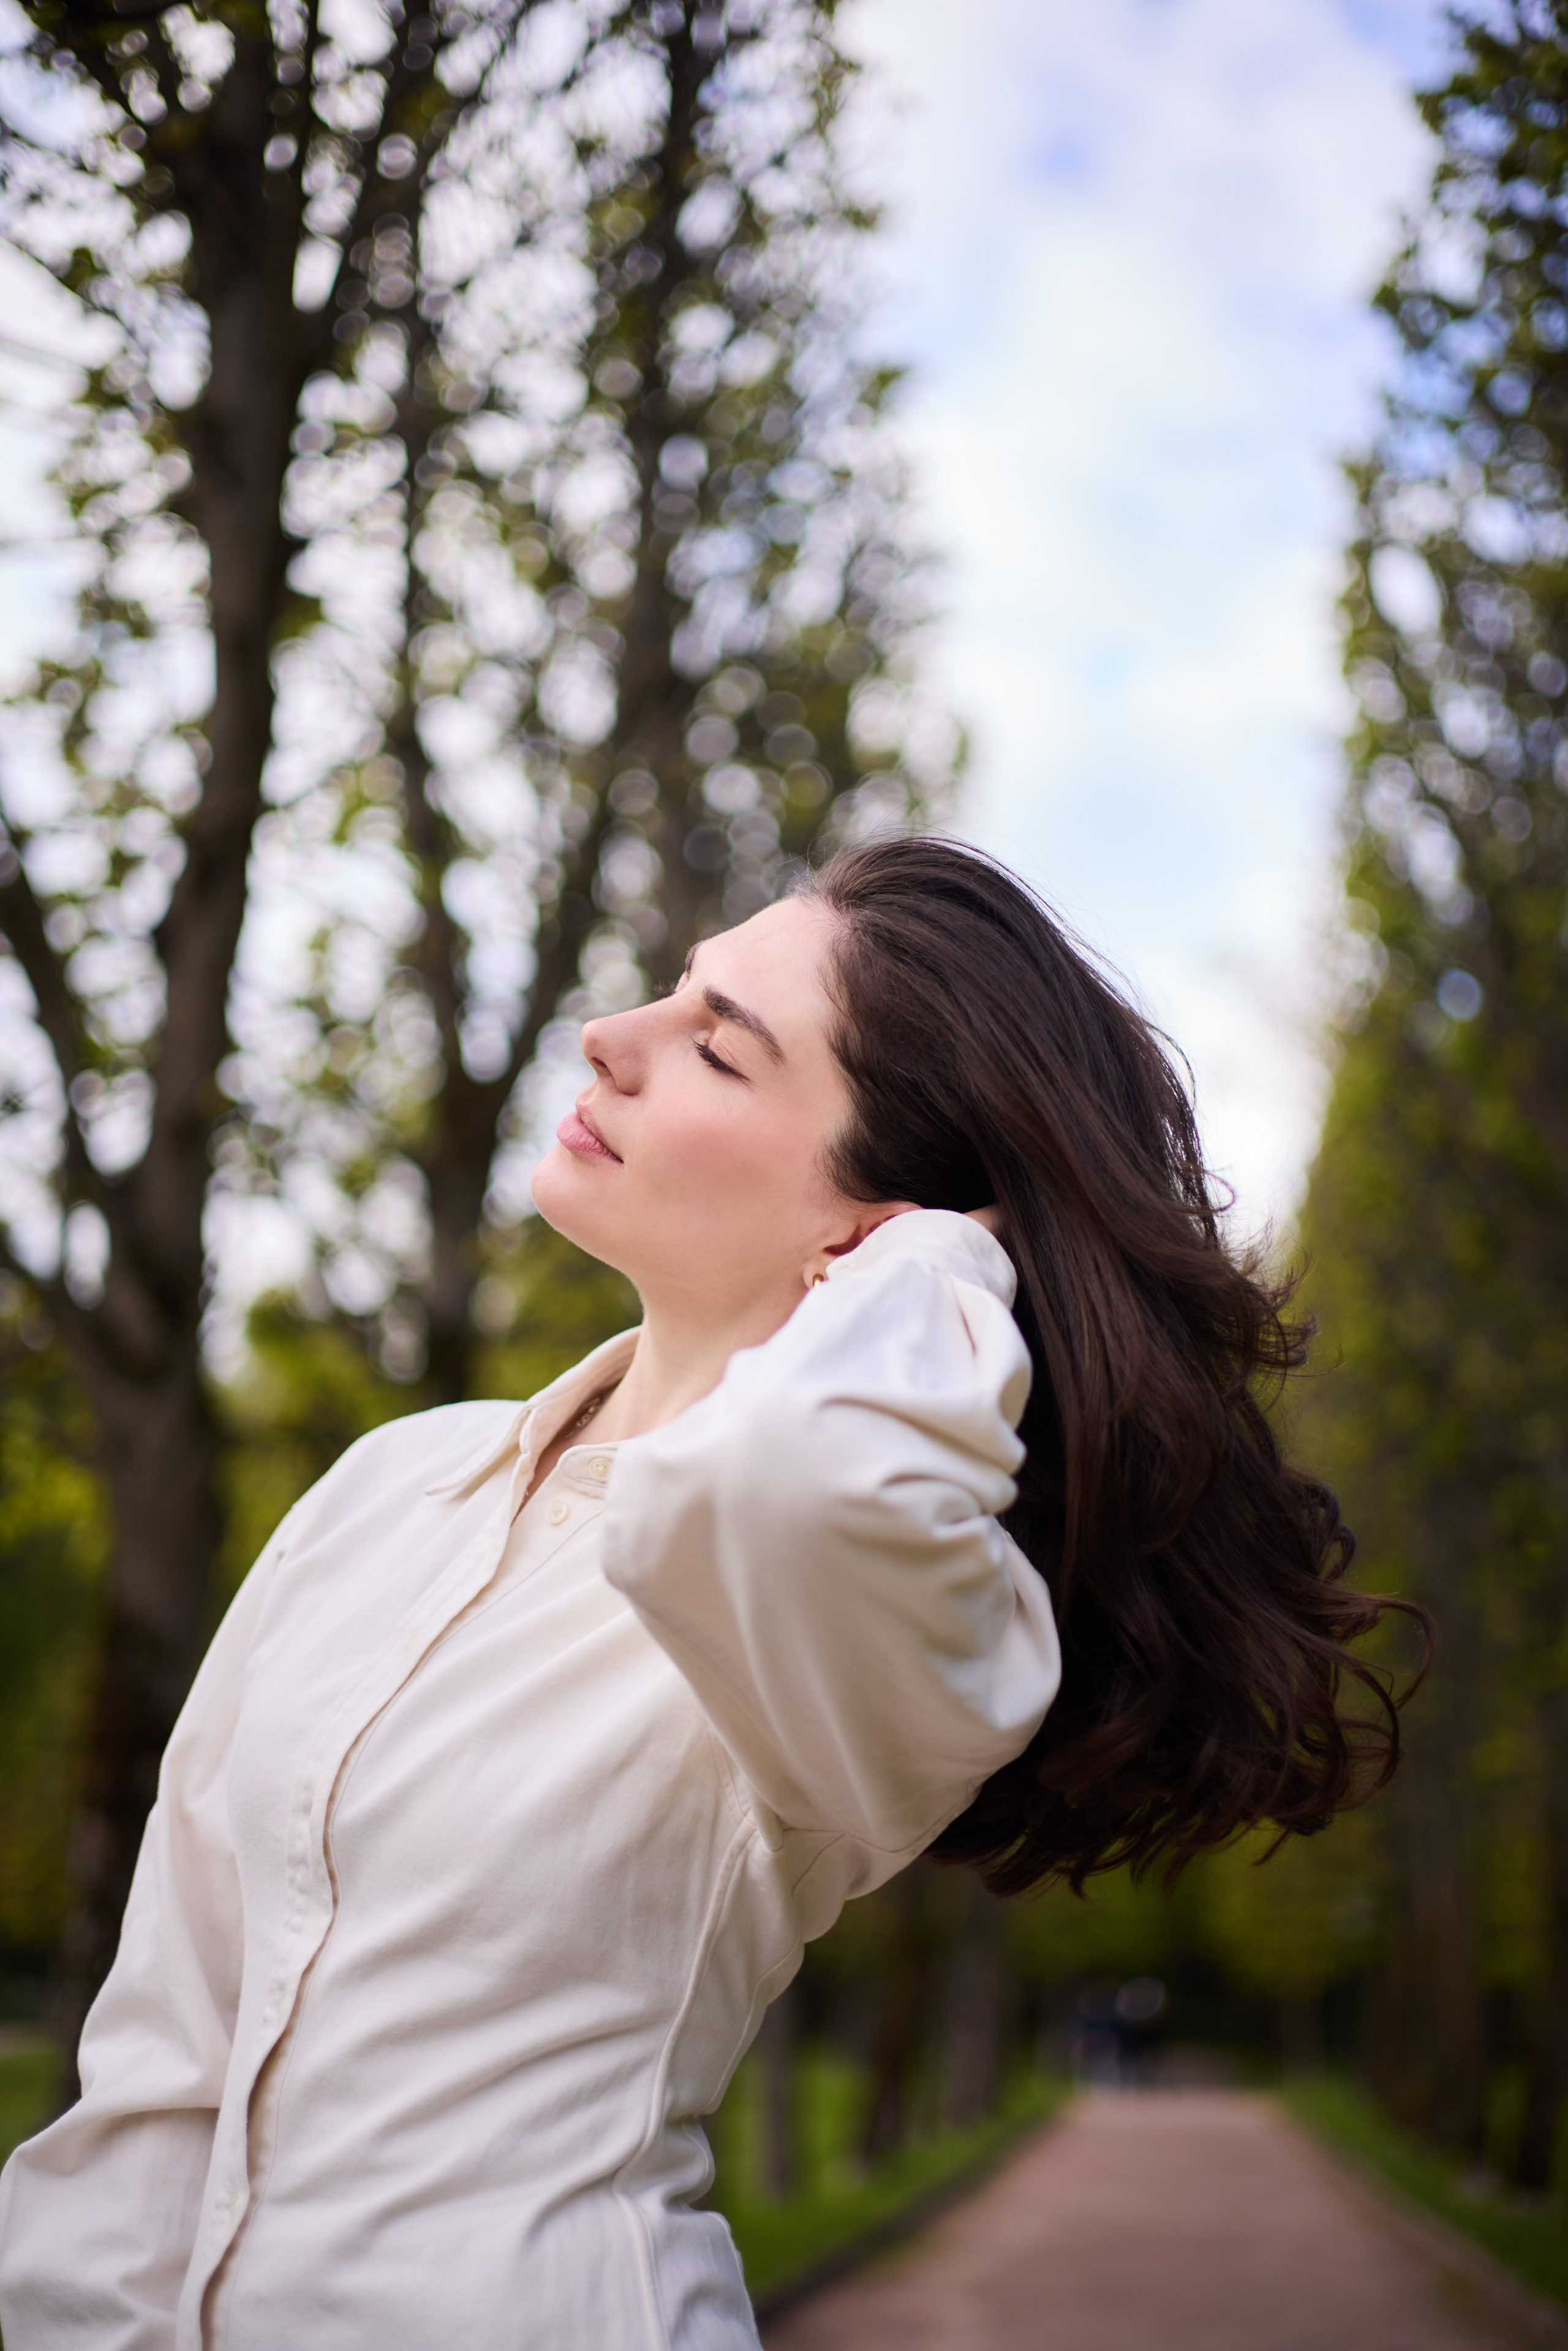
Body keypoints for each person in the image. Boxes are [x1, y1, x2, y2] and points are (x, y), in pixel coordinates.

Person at [0, 839, 1406, 2350]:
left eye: (717, 1049)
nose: (612, 1036)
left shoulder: (881, 1606)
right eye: (673, 992)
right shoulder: (385, 1487)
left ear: (869, 1234)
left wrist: (938, 1261)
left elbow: (780, 1484)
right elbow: (157, 2069)